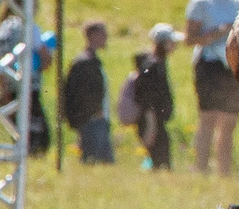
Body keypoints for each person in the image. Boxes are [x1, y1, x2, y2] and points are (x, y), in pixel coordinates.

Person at [185, 0, 239, 176]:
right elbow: (190, 38)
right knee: (208, 118)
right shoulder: (201, 1)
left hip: (231, 65)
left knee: (229, 120)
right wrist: (218, 33)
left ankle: (224, 170)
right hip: (209, 62)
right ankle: (201, 167)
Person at [124, 26, 179, 170]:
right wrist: (151, 126)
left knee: (161, 160)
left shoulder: (157, 64)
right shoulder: (152, 67)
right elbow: (148, 100)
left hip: (156, 121)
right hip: (151, 121)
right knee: (160, 163)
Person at [62, 20, 116, 164]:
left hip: (98, 119)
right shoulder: (84, 62)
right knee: (94, 160)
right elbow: (78, 93)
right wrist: (92, 110)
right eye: (103, 34)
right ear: (93, 36)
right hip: (91, 119)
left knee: (104, 163)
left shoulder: (91, 60)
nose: (106, 38)